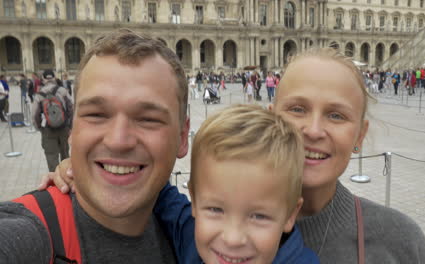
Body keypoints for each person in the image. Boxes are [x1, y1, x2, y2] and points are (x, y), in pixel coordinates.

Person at [41, 104, 320, 264]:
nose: (233, 238)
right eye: (215, 210)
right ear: (195, 200)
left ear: (290, 215)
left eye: (258, 216)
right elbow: (155, 188)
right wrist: (83, 170)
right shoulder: (189, 230)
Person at [0, 29, 188, 263]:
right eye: (97, 114)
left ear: (182, 137)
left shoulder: (196, 236)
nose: (118, 141)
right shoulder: (28, 234)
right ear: (72, 129)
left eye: (148, 118)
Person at [271, 48, 425, 263]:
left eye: (336, 115)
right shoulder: (216, 229)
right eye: (298, 109)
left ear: (360, 135)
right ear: (269, 120)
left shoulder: (400, 241)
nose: (313, 130)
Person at [32, 69, 73, 172]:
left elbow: (34, 115)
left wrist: (40, 128)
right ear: (54, 78)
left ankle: (55, 181)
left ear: (43, 79)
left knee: (51, 157)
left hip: (48, 130)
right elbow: (72, 109)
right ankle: (67, 178)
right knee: (65, 154)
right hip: (64, 129)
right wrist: (70, 126)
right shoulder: (62, 91)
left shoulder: (39, 95)